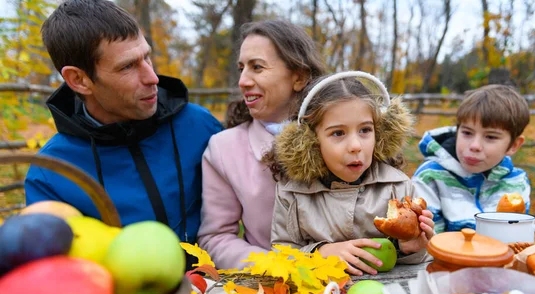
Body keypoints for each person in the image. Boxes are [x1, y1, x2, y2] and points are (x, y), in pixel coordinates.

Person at [24, 0, 222, 244]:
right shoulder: (52, 173)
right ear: (79, 79)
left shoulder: (200, 126)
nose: (152, 78)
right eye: (127, 66)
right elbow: (55, 269)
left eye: (146, 57)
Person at [266, 71, 434, 276]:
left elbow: (420, 262)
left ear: (380, 133)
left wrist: (410, 248)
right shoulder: (292, 193)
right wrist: (320, 253)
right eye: (338, 133)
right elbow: (282, 254)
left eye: (365, 130)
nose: (356, 146)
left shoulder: (398, 188)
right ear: (309, 142)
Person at [197, 20, 326, 270]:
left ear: (298, 77)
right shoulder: (224, 149)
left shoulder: (342, 134)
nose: (243, 81)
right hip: (272, 290)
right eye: (241, 68)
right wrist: (281, 265)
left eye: (257, 67)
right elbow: (216, 238)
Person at [411, 84, 531, 233]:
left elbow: (517, 237)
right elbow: (428, 243)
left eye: (490, 137)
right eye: (467, 133)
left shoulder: (517, 183)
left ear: (513, 145)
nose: (475, 146)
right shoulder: (430, 177)